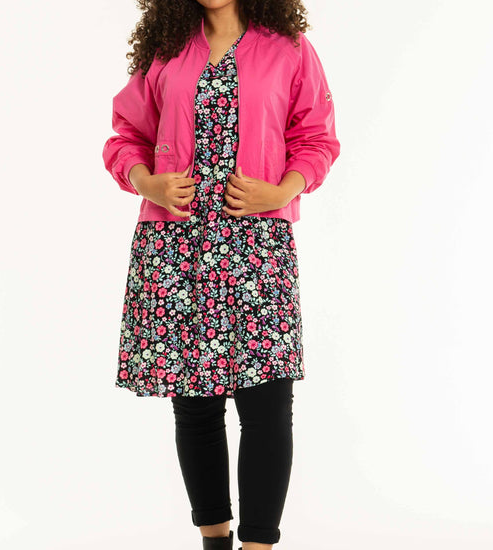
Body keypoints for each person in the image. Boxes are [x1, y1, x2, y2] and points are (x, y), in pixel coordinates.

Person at [102, 1, 340, 548]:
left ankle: (257, 545)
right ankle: (214, 542)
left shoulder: (288, 49)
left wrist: (280, 191)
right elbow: (125, 137)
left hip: (258, 246)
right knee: (196, 405)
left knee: (268, 404)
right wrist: (147, 182)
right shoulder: (165, 49)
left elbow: (317, 138)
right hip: (176, 247)